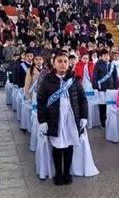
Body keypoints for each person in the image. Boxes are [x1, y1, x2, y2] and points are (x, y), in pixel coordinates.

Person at [37, 51, 88, 186]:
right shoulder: (47, 80)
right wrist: (42, 120)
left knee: (69, 145)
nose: (63, 64)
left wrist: (84, 116)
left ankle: (67, 173)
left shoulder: (75, 79)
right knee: (58, 146)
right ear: (54, 63)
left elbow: (82, 99)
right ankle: (58, 173)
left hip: (71, 119)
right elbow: (41, 101)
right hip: (55, 119)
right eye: (60, 61)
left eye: (65, 61)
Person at [93, 49, 119, 128]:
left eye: (107, 55)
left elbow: (115, 77)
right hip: (102, 89)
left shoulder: (112, 65)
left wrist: (117, 87)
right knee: (102, 106)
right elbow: (95, 77)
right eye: (104, 55)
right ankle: (103, 122)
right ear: (101, 57)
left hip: (111, 89)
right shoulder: (98, 65)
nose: (106, 57)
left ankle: (110, 122)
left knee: (110, 106)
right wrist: (96, 87)